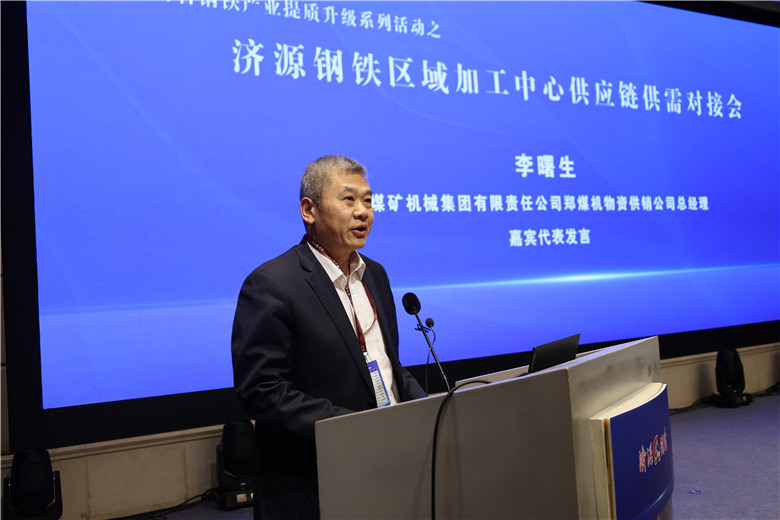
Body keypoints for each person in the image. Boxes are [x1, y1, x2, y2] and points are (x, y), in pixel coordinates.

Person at [231, 154, 427, 519]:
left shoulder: (375, 275)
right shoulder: (272, 284)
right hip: (314, 481)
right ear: (309, 210)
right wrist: (351, 430)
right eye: (349, 199)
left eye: (368, 200)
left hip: (389, 464)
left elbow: (386, 364)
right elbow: (261, 390)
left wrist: (428, 409)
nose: (363, 212)